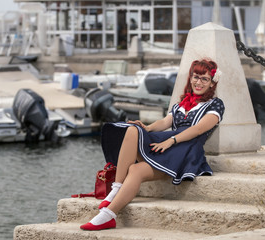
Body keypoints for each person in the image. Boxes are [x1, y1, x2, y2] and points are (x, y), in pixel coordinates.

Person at [80, 58, 225, 231]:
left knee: (136, 161)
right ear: (190, 78)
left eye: (204, 79)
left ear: (211, 84)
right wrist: (147, 128)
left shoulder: (215, 104)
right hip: (170, 145)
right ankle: (113, 197)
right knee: (134, 132)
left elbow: (199, 129)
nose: (198, 82)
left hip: (186, 150)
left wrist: (171, 141)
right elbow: (164, 122)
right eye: (196, 77)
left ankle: (109, 211)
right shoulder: (182, 103)